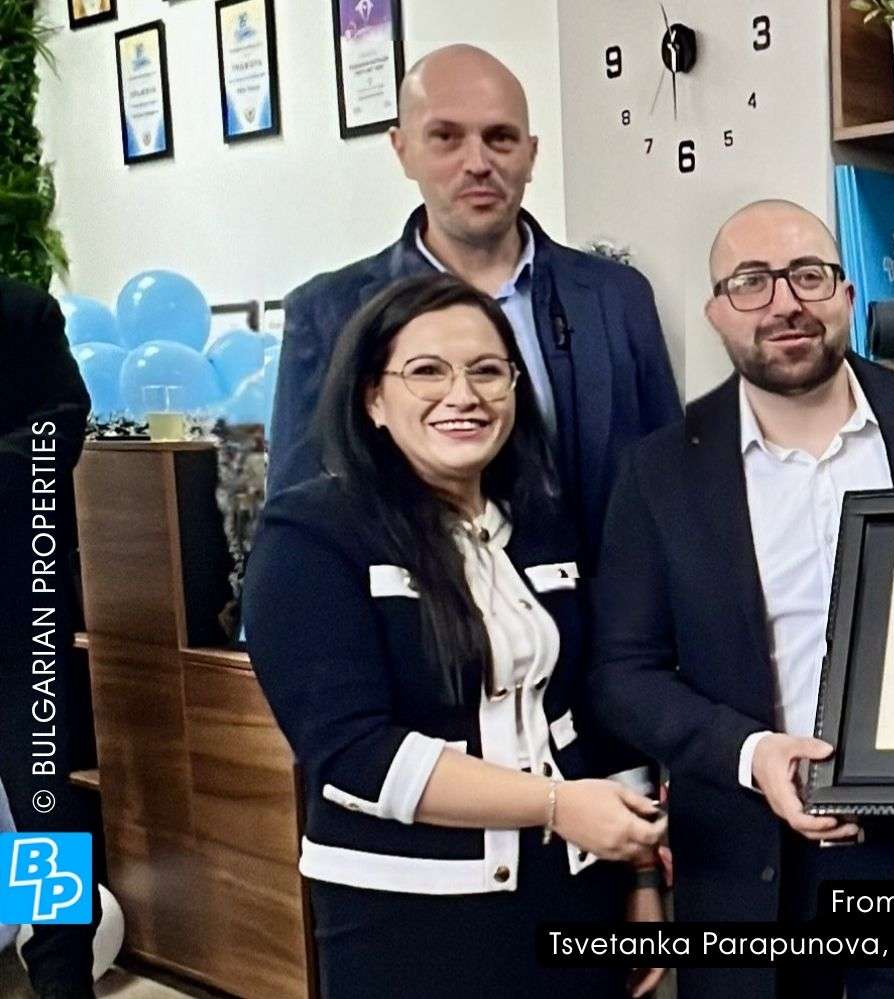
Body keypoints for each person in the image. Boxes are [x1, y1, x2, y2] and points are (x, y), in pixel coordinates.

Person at [590, 199, 894, 999]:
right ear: (717, 312)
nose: (784, 302)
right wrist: (751, 753)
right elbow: (622, 675)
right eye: (751, 282)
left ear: (847, 296)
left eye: (807, 276)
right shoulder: (659, 471)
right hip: (750, 862)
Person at [244, 274, 667, 998]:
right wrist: (557, 805)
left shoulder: (542, 522)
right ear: (373, 398)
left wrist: (639, 872)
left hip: (576, 889)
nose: (463, 395)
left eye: (487, 371)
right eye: (427, 371)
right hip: (408, 917)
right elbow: (352, 754)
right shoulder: (310, 534)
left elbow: (595, 705)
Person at [267, 44, 680, 568]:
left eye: (500, 138)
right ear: (402, 149)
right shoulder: (329, 313)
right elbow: (297, 526)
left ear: (531, 154)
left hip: (606, 612)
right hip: (421, 612)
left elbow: (671, 486)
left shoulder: (618, 298)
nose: (478, 163)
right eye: (446, 137)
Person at [0, 276, 99, 999]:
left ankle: (62, 978)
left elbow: (57, 434)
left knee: (45, 804)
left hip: (19, 615)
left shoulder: (20, 310)